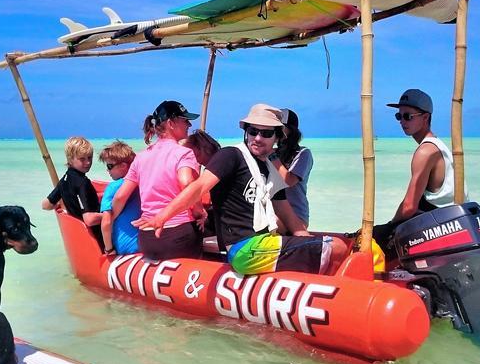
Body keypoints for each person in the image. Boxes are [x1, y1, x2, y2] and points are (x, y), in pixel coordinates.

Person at [135, 103, 349, 276]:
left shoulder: (269, 169)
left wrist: (306, 240)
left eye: (266, 133)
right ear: (246, 132)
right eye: (253, 131)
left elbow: (287, 214)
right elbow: (199, 187)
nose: (257, 138)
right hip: (244, 250)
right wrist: (162, 216)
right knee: (337, 247)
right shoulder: (230, 156)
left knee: (333, 247)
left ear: (277, 138)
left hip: (265, 243)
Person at [372, 89, 464, 254]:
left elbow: (409, 206)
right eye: (399, 116)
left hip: (440, 226)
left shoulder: (425, 151)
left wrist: (388, 227)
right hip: (450, 221)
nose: (402, 121)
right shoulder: (438, 145)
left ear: (425, 117)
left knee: (370, 239)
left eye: (408, 116)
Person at [109, 100, 203, 260]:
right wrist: (199, 211)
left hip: (147, 240)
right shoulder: (183, 153)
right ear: (171, 123)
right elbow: (187, 184)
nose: (189, 125)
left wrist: (110, 222)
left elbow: (119, 197)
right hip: (178, 236)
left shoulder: (141, 157)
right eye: (185, 120)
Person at [41, 136, 101, 228]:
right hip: (95, 234)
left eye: (89, 157)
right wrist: (110, 215)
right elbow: (89, 220)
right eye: (82, 159)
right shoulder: (82, 183)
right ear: (70, 159)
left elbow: (46, 205)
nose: (88, 162)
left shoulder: (64, 179)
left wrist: (64, 204)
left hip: (77, 230)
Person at [272, 108, 313, 228]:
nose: (275, 131)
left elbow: (288, 181)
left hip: (296, 218)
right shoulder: (272, 154)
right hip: (272, 213)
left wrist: (270, 154)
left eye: (279, 127)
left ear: (290, 130)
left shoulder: (303, 154)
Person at [98, 141, 140, 256]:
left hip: (125, 248)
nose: (108, 170)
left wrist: (109, 249)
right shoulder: (143, 182)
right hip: (146, 243)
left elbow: (106, 223)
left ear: (123, 166)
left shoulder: (112, 188)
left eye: (109, 166)